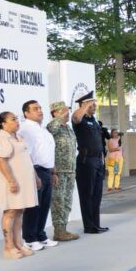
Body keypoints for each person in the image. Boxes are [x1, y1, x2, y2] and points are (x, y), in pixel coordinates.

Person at [0, 111, 40, 259]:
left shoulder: (18, 137)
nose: (17, 121)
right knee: (10, 212)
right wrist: (11, 181)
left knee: (20, 211)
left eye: (17, 119)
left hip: (24, 181)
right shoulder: (1, 139)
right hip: (11, 182)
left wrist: (35, 177)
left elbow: (27, 159)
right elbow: (0, 160)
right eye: (13, 119)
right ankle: (8, 246)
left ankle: (18, 243)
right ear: (3, 123)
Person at [18, 99, 58, 252]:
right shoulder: (26, 129)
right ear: (26, 113)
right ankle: (30, 238)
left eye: (40, 108)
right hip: (35, 171)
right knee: (34, 206)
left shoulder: (43, 130)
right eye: (35, 109)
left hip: (47, 171)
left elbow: (48, 152)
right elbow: (26, 154)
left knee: (45, 205)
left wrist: (53, 171)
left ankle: (41, 235)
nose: (40, 111)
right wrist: (34, 175)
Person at [72, 90, 107, 234]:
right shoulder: (79, 120)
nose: (95, 107)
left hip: (98, 160)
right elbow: (76, 117)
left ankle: (96, 224)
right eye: (92, 105)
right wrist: (85, 106)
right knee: (87, 194)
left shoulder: (94, 121)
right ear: (84, 105)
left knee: (97, 194)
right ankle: (89, 225)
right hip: (86, 161)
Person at [47, 101, 79, 242]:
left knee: (67, 201)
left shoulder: (68, 128)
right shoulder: (53, 126)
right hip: (58, 171)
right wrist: (60, 116)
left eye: (67, 110)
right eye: (64, 110)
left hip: (70, 170)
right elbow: (52, 127)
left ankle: (63, 229)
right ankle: (58, 231)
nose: (68, 113)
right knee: (58, 201)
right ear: (56, 113)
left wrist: (74, 169)